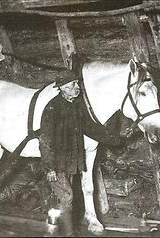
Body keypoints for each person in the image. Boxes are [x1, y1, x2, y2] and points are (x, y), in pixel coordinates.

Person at [38, 69, 127, 236]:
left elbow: (92, 128)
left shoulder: (76, 106)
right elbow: (45, 141)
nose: (78, 87)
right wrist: (49, 168)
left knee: (62, 198)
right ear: (63, 88)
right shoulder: (52, 109)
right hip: (56, 164)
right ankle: (69, 234)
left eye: (77, 83)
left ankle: (51, 230)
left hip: (70, 162)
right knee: (67, 198)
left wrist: (117, 139)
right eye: (73, 84)